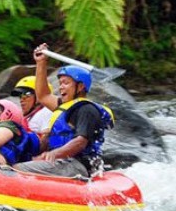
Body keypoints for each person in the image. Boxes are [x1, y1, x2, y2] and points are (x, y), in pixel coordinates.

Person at [13, 43, 115, 178]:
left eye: (66, 83)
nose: (61, 88)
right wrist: (41, 63)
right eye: (60, 83)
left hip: (77, 164)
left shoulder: (87, 109)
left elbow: (80, 142)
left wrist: (54, 154)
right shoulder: (64, 106)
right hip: (62, 161)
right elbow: (43, 96)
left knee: (18, 168)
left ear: (80, 87)